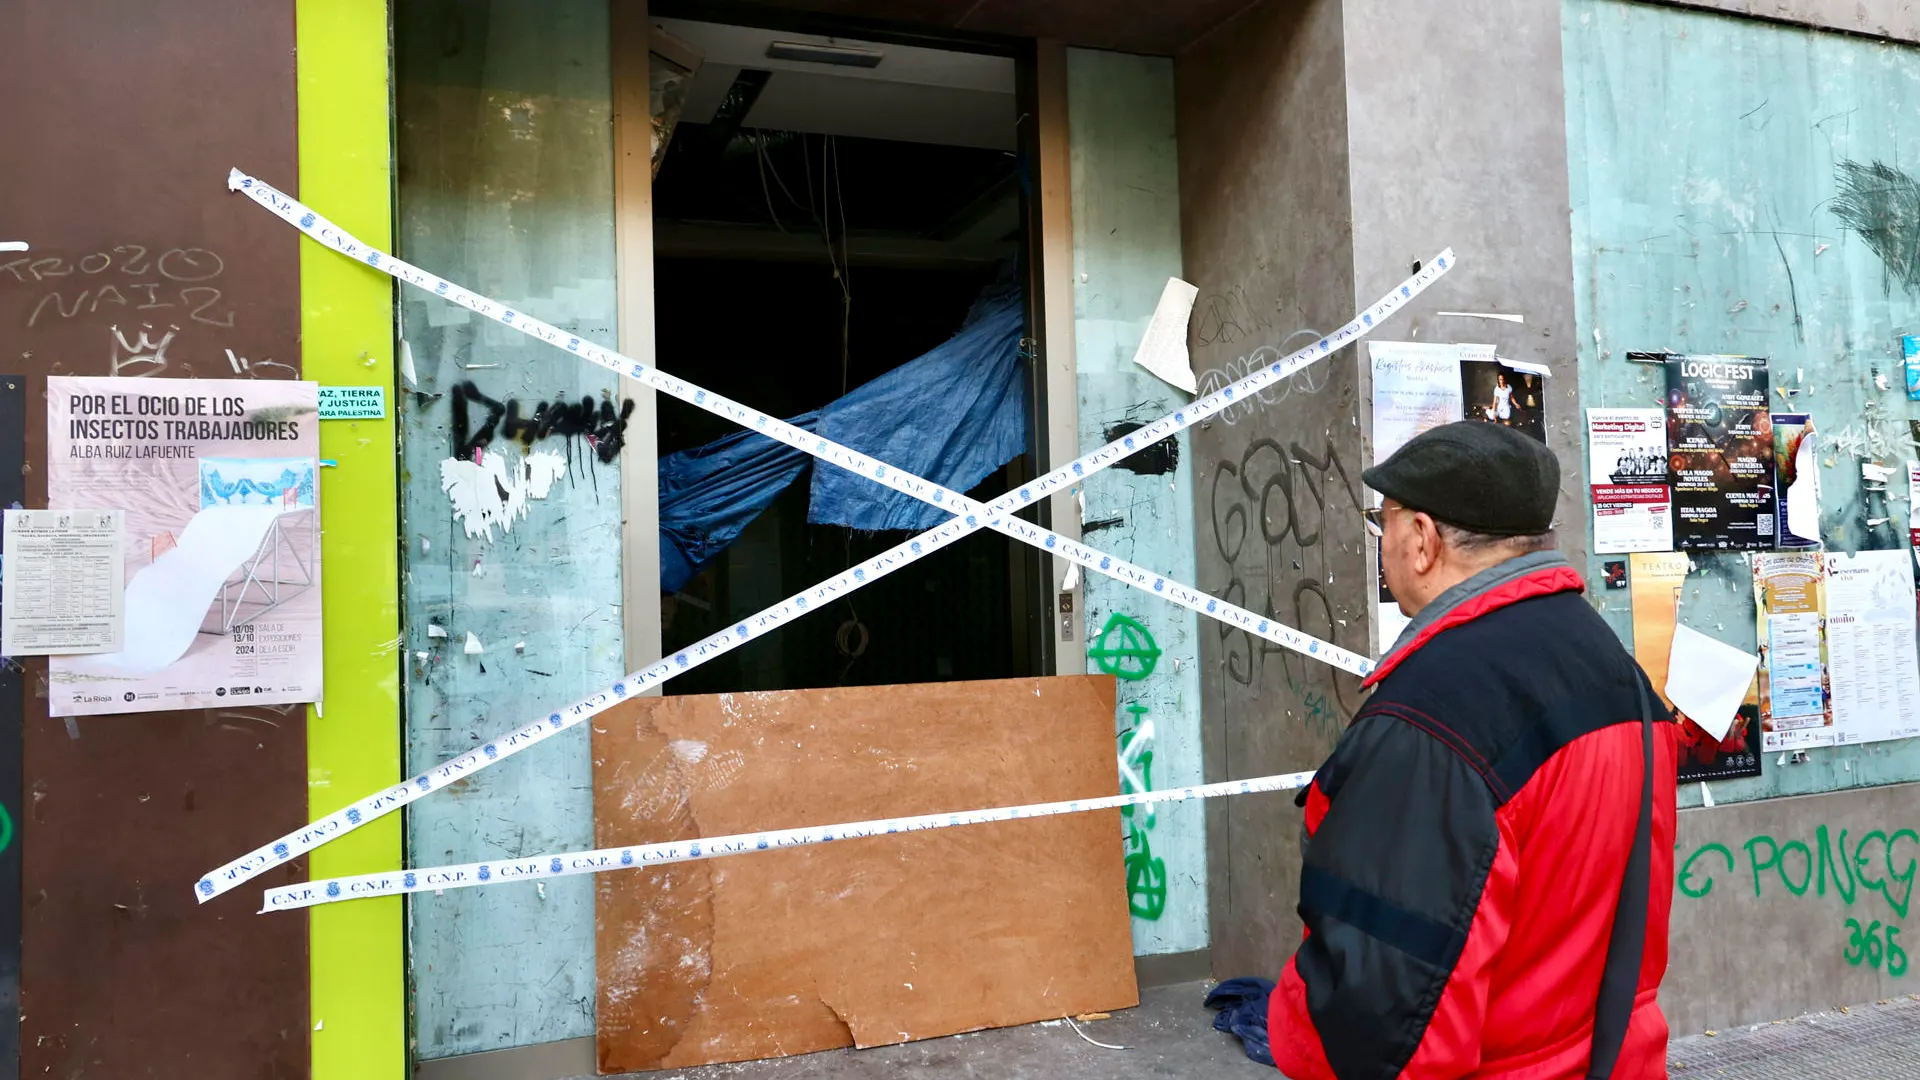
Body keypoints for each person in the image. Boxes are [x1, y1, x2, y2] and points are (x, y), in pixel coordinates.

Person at [1269, 422, 1677, 1080]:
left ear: (1423, 540)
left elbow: (1391, 1026)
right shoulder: (1613, 668)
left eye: (1385, 522)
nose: (1385, 543)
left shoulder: (1434, 716)